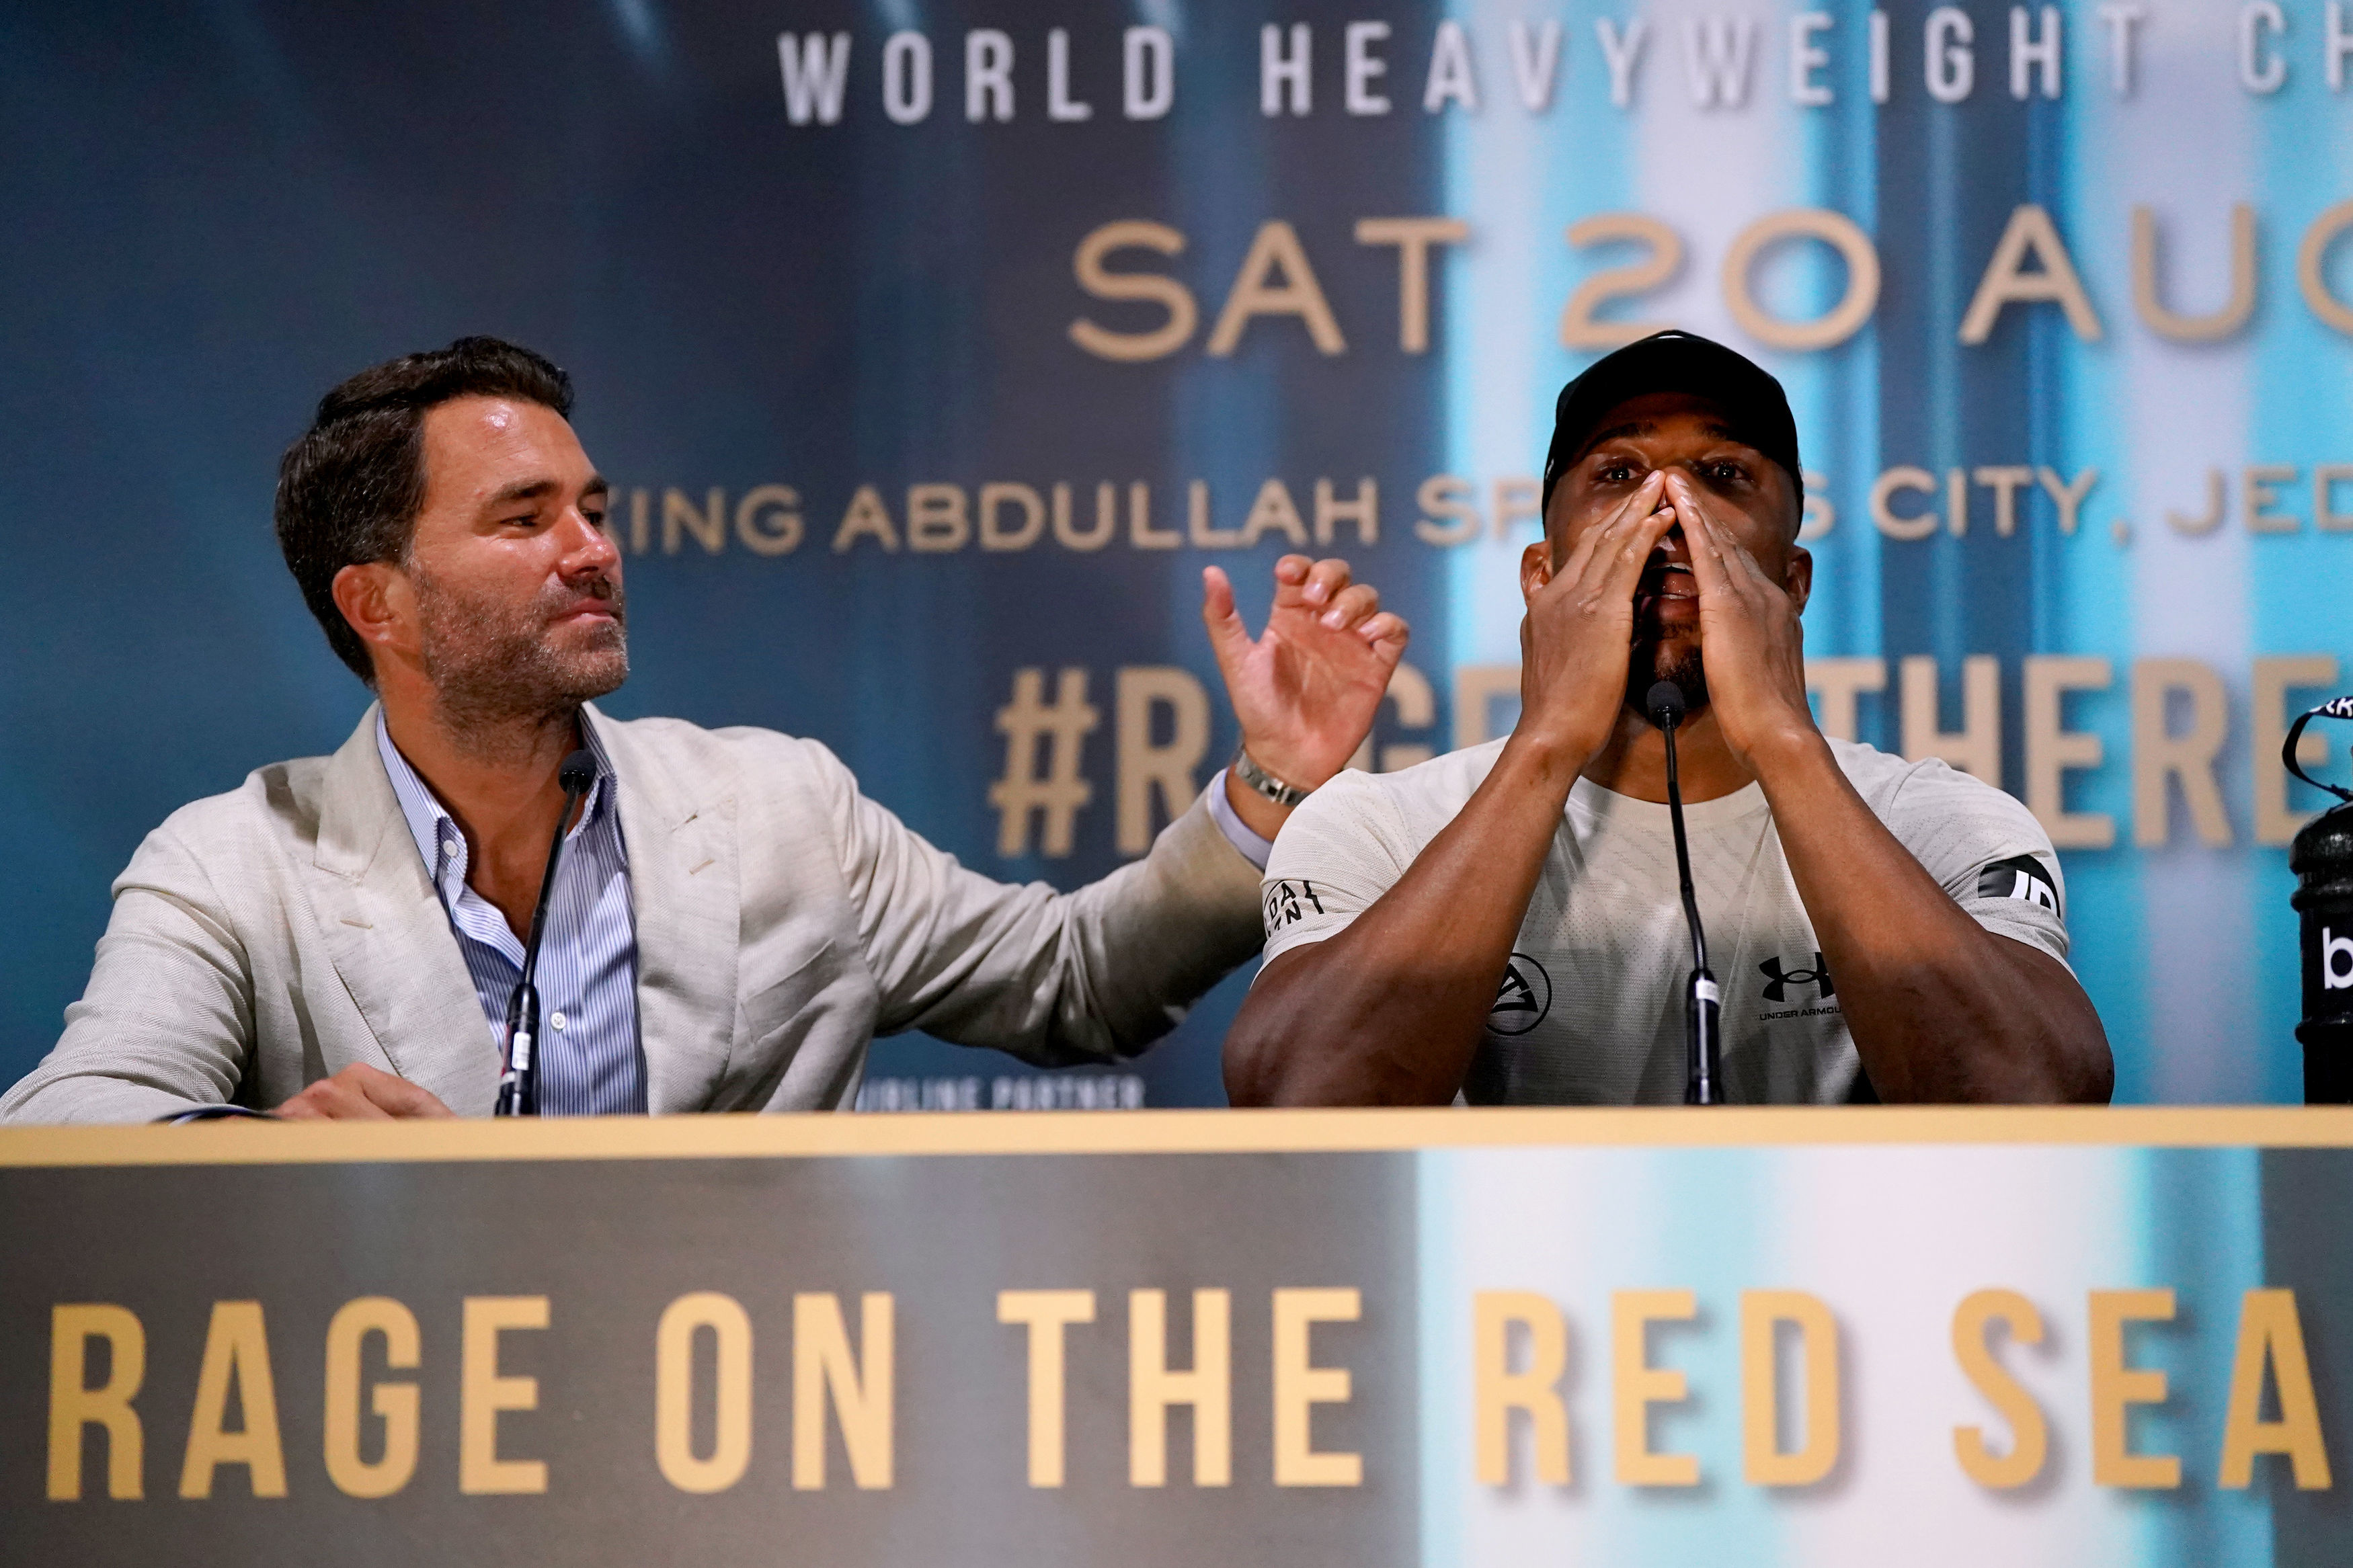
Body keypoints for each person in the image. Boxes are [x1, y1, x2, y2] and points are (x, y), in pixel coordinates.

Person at [2, 337, 1407, 1122]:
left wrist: (1274, 780)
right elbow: (63, 1129)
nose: (593, 549)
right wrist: (254, 1153)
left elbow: (1079, 983)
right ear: (378, 601)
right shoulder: (236, 859)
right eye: (522, 519)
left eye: (593, 508)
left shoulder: (775, 807)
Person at [1225, 331, 2110, 1107]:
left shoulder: (1939, 820)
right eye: (1619, 476)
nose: (1670, 515)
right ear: (1542, 577)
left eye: (1722, 478)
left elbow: (2034, 1100)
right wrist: (1545, 744)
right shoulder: (1378, 826)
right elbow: (1303, 1103)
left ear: (1794, 585)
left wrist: (1783, 741)